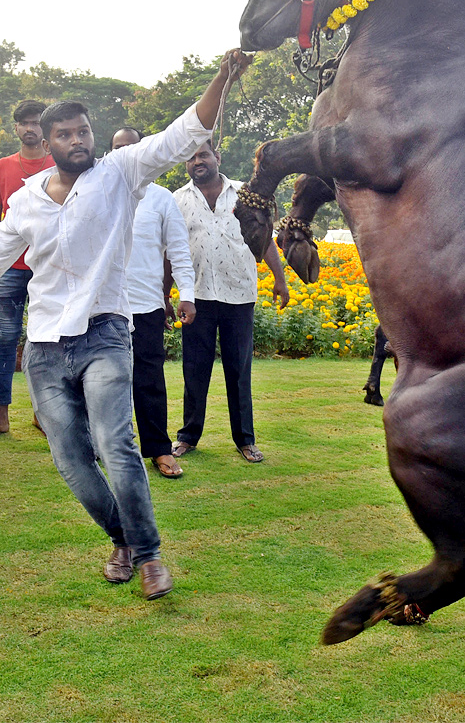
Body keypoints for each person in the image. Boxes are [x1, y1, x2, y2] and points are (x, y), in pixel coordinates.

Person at [0, 50, 250, 599]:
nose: (78, 141)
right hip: (43, 347)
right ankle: (125, 539)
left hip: (106, 335)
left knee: (116, 444)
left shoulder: (119, 173)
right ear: (46, 142)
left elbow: (182, 134)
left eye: (83, 131)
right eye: (64, 134)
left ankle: (151, 555)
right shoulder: (25, 203)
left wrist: (222, 77)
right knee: (70, 459)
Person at [172, 143, 289, 463]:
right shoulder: (177, 200)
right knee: (194, 371)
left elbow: (263, 240)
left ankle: (245, 439)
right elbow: (171, 250)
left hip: (239, 295)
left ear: (217, 158)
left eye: (203, 155)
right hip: (196, 299)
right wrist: (165, 293)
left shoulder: (244, 194)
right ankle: (188, 437)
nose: (197, 161)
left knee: (239, 371)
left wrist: (279, 279)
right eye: (191, 157)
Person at [110, 125, 196, 478]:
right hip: (103, 305)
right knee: (103, 381)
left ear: (144, 149)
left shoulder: (162, 198)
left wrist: (186, 295)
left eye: (132, 147)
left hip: (144, 305)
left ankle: (159, 450)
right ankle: (105, 448)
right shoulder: (97, 190)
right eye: (118, 148)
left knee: (148, 379)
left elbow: (178, 249)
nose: (126, 154)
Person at [0, 100, 54, 434]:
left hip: (48, 265)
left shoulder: (57, 164)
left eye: (36, 123)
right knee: (4, 339)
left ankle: (43, 413)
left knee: (46, 339)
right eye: (25, 123)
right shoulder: (3, 167)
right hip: (10, 267)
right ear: (16, 127)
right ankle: (2, 414)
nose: (30, 128)